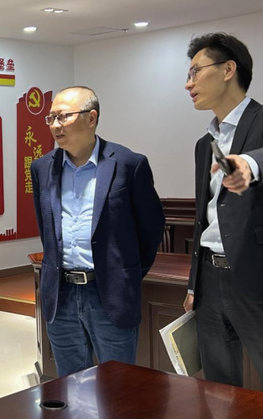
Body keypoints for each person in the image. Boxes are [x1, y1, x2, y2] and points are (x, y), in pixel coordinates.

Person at [183, 32, 263, 401]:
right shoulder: (204, 145)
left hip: (261, 277)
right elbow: (205, 219)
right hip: (210, 280)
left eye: (195, 72)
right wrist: (193, 285)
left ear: (228, 70)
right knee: (218, 392)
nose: (188, 84)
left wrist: (249, 165)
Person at [31, 86, 165, 377]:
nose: (55, 125)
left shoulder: (128, 164)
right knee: (70, 384)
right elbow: (47, 231)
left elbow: (151, 229)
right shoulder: (42, 168)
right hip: (61, 295)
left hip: (109, 294)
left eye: (63, 116)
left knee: (118, 386)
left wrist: (125, 274)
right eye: (51, 118)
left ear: (91, 118)